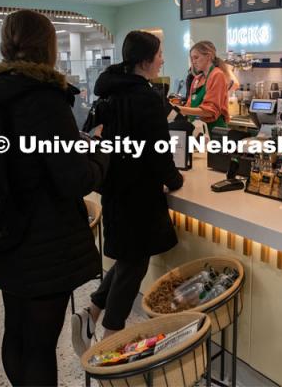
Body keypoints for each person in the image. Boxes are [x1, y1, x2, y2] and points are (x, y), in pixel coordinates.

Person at [0, 10, 109, 386]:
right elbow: (73, 178)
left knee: (17, 331)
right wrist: (99, 154)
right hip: (44, 241)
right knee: (41, 345)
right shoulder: (42, 97)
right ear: (49, 46)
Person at [72, 31, 184, 354]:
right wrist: (174, 181)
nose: (163, 59)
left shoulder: (111, 92)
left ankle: (91, 314)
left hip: (115, 188)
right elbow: (159, 151)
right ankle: (111, 341)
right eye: (160, 54)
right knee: (134, 265)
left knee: (127, 259)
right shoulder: (146, 98)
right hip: (140, 193)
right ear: (145, 61)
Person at [178, 41, 231, 132]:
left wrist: (181, 109)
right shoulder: (197, 79)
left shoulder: (217, 75)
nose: (193, 62)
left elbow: (210, 111)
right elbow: (189, 105)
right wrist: (176, 109)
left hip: (214, 131)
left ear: (209, 56)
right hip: (198, 129)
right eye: (192, 59)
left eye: (196, 57)